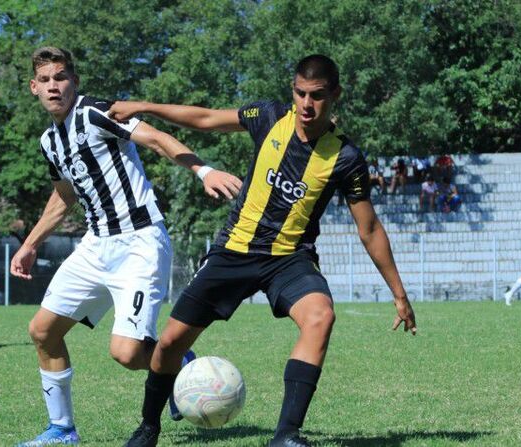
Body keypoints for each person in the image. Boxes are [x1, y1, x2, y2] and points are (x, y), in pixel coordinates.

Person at [109, 54, 417, 447]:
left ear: (335, 94)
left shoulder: (346, 158)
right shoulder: (269, 116)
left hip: (289, 258)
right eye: (300, 93)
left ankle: (286, 436)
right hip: (234, 250)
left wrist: (399, 294)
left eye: (317, 96)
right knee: (169, 342)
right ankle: (148, 428)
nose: (307, 104)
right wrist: (144, 106)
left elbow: (369, 228)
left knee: (321, 316)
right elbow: (205, 119)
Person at [12, 47, 242, 446]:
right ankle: (62, 430)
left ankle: (177, 362)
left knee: (127, 353)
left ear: (74, 82)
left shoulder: (97, 112)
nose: (54, 86)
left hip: (139, 242)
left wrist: (202, 170)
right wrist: (30, 243)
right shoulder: (50, 141)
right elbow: (63, 195)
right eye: (46, 80)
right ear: (34, 88)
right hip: (95, 246)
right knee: (43, 331)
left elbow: (155, 138)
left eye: (62, 77)